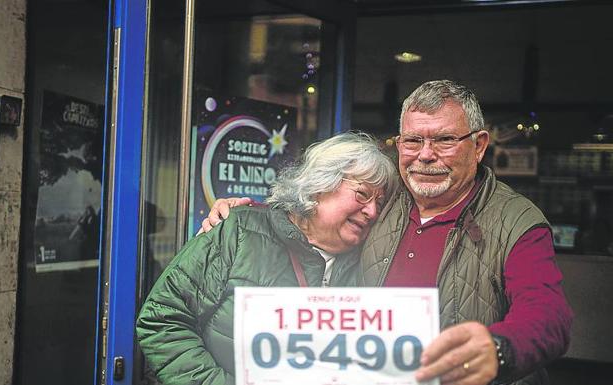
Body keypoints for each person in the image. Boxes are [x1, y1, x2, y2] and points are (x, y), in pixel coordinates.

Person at [202, 80, 573, 385]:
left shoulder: (516, 221)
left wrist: (499, 349)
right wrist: (250, 212)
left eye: (444, 140)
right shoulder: (384, 199)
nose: (425, 155)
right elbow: (319, 212)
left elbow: (548, 315)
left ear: (478, 146)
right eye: (412, 141)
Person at [136, 132, 398, 385]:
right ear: (320, 185)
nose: (372, 211)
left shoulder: (371, 263)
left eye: (380, 203)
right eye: (363, 194)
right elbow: (163, 319)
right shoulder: (237, 231)